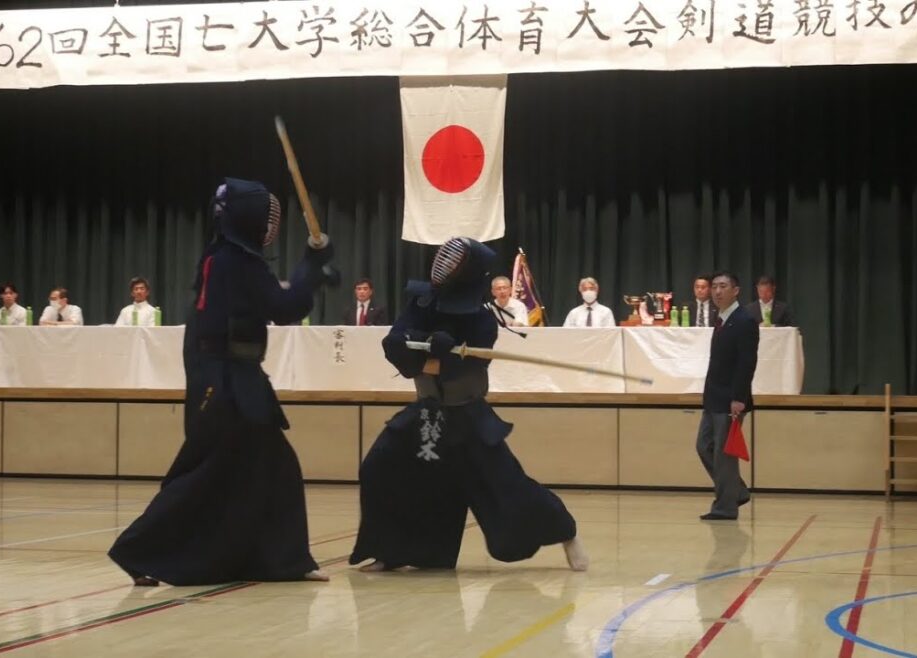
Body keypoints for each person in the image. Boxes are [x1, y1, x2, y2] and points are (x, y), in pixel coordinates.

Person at [108, 178, 337, 586]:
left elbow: (273, 299)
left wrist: (311, 271)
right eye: (265, 215)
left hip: (233, 377)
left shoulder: (224, 257)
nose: (271, 224)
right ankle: (137, 550)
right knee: (206, 471)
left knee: (271, 467)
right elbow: (283, 306)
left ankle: (281, 560)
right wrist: (313, 267)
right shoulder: (235, 261)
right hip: (227, 383)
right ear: (247, 218)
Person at [350, 237, 588, 572]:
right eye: (443, 258)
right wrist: (404, 345)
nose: (443, 266)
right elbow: (399, 351)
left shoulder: (481, 320)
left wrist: (434, 355)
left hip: (467, 415)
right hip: (427, 413)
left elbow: (456, 368)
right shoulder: (421, 302)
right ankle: (394, 552)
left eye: (454, 262)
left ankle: (566, 531)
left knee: (507, 487)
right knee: (381, 467)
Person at [696, 272, 759, 520]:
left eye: (723, 286)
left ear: (736, 291)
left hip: (730, 399)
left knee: (724, 455)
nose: (717, 291)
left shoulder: (744, 320)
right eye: (714, 287)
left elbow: (747, 362)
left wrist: (739, 397)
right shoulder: (721, 319)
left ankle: (725, 507)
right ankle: (738, 491)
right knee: (704, 446)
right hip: (713, 397)